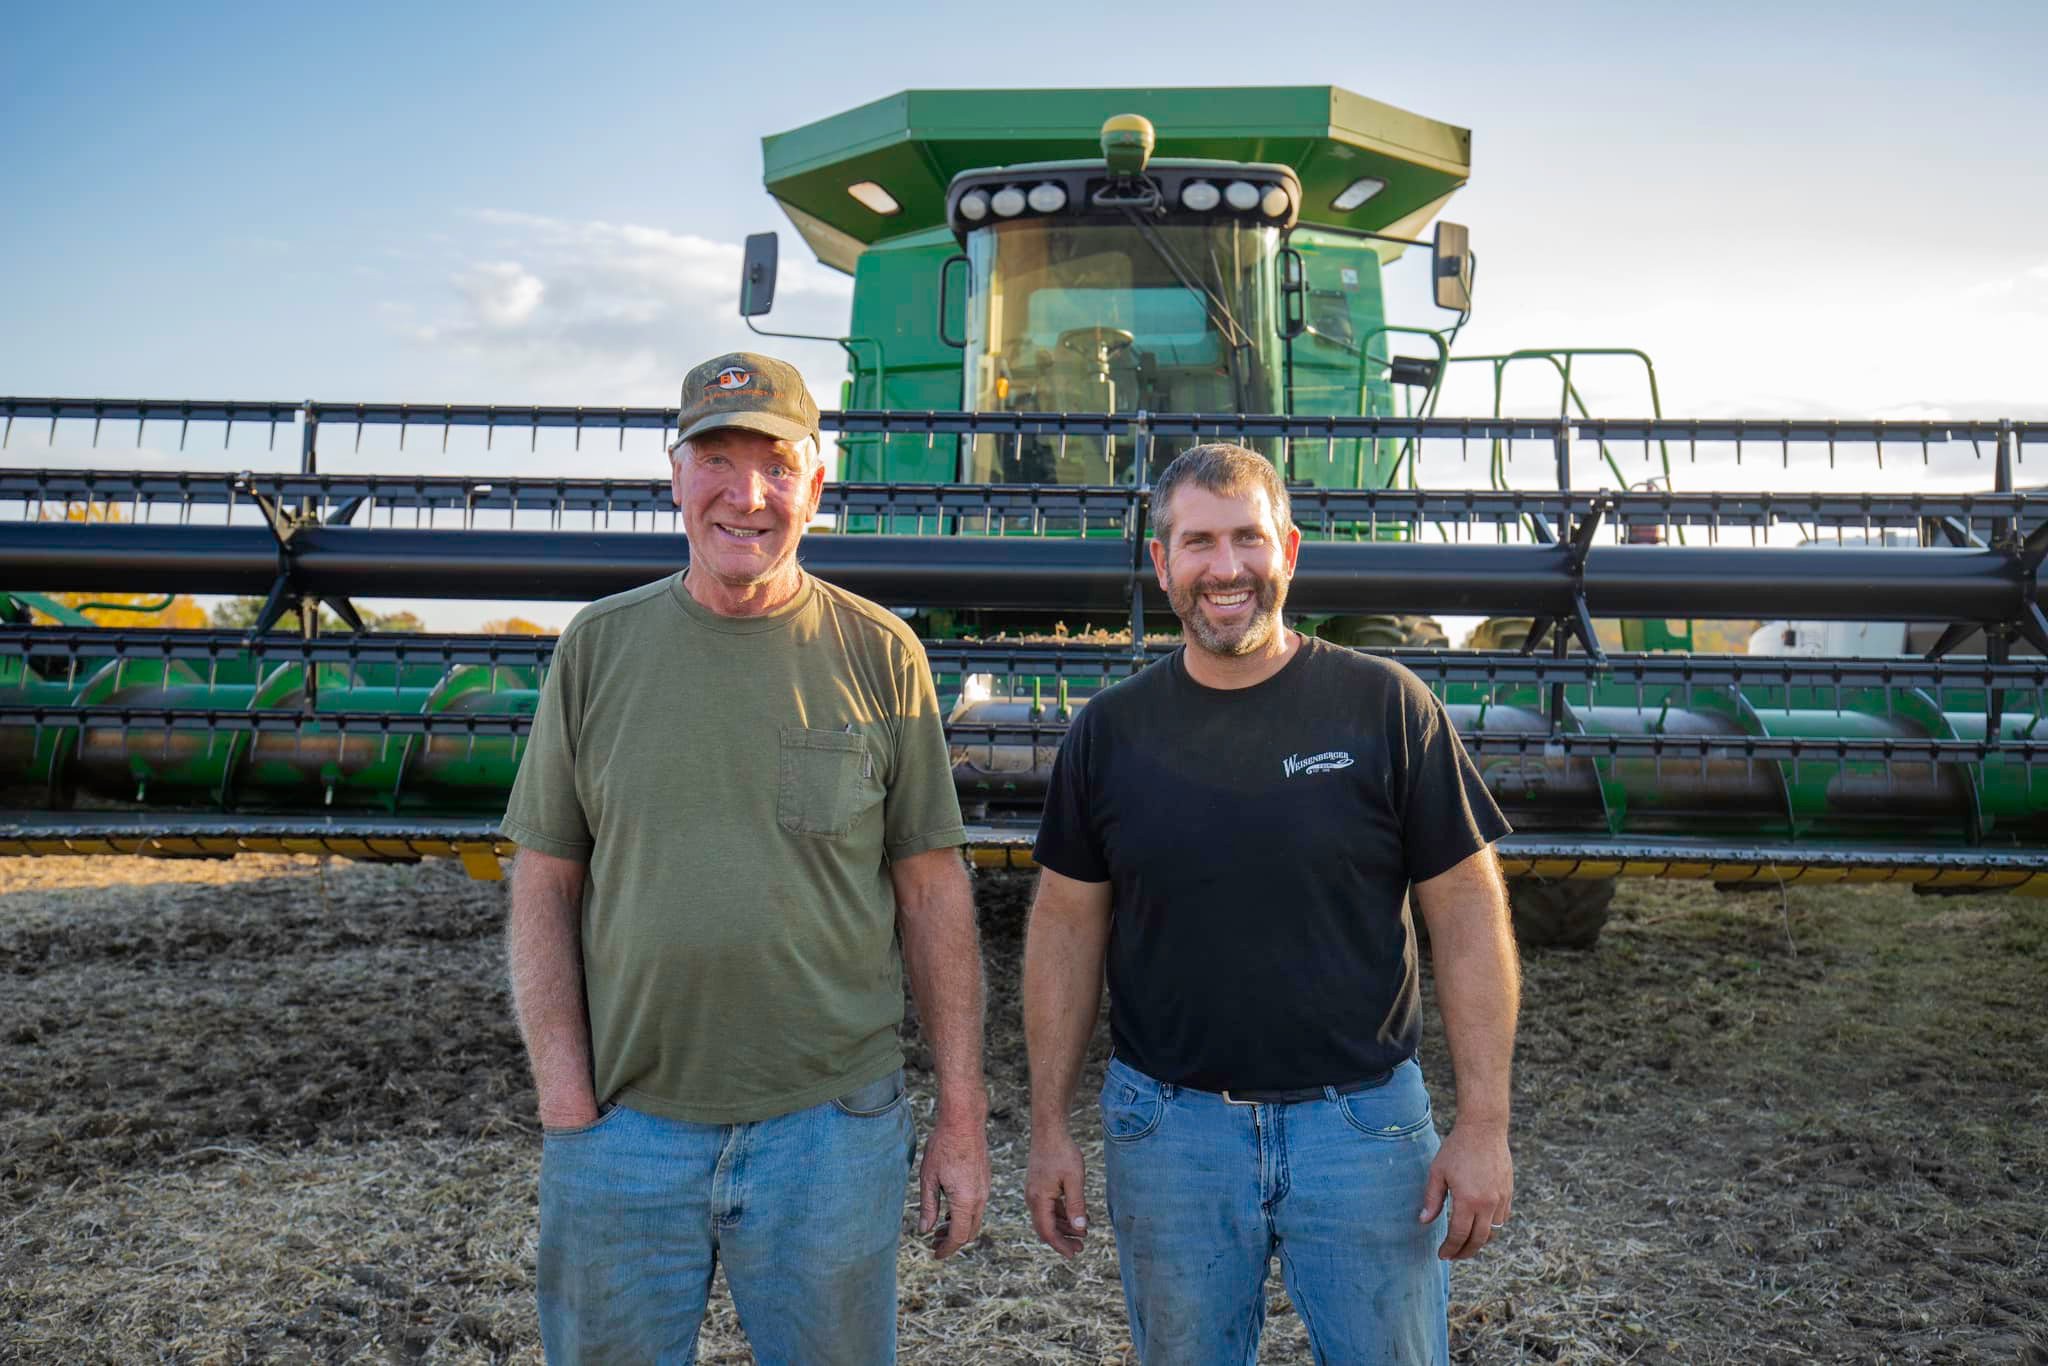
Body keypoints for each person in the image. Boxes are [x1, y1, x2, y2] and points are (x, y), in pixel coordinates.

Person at [501, 351, 989, 1364]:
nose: (746, 494)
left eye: (775, 464)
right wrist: (565, 1101)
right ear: (673, 476)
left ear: (817, 482)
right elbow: (546, 884)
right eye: (715, 459)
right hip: (625, 1131)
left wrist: (960, 1111)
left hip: (829, 1132)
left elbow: (931, 892)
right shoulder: (597, 648)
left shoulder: (879, 653)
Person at [1021, 442, 1519, 1365]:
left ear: (1289, 549)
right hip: (1171, 1135)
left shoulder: (1386, 707)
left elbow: (1467, 911)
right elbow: (1064, 925)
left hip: (1364, 1131)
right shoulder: (1110, 733)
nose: (1227, 569)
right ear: (1161, 560)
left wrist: (1484, 1123)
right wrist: (1048, 1126)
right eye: (1198, 542)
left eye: (1249, 539)